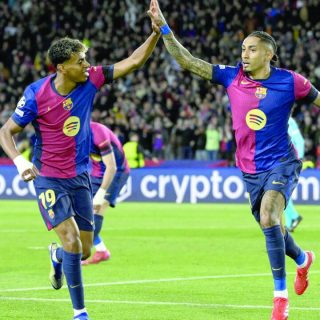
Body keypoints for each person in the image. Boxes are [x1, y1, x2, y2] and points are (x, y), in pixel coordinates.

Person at [148, 1, 320, 319]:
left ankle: (280, 300)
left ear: (269, 53)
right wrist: (165, 29)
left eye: (252, 49)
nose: (244, 53)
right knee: (273, 229)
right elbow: (188, 61)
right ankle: (303, 260)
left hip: (283, 162)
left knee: (269, 216)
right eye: (243, 48)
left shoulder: (291, 81)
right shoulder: (231, 78)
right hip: (250, 169)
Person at [0, 7, 160, 320]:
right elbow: (6, 131)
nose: (87, 65)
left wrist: (155, 33)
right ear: (61, 67)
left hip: (80, 178)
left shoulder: (92, 80)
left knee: (84, 249)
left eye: (86, 58)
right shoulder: (35, 94)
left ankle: (57, 258)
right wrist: (19, 161)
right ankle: (80, 312)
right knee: (72, 241)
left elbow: (134, 61)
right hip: (48, 178)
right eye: (80, 61)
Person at [81, 121, 130, 265]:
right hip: (96, 173)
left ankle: (78, 254)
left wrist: (101, 193)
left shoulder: (98, 133)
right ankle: (101, 251)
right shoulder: (72, 132)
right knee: (81, 212)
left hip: (116, 172)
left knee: (97, 210)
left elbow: (112, 166)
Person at [285, 117, 304, 232]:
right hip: (284, 161)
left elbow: (300, 140)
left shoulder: (289, 120)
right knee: (283, 193)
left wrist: (299, 159)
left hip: (290, 162)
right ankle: (289, 222)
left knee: (280, 193)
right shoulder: (282, 118)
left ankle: (294, 216)